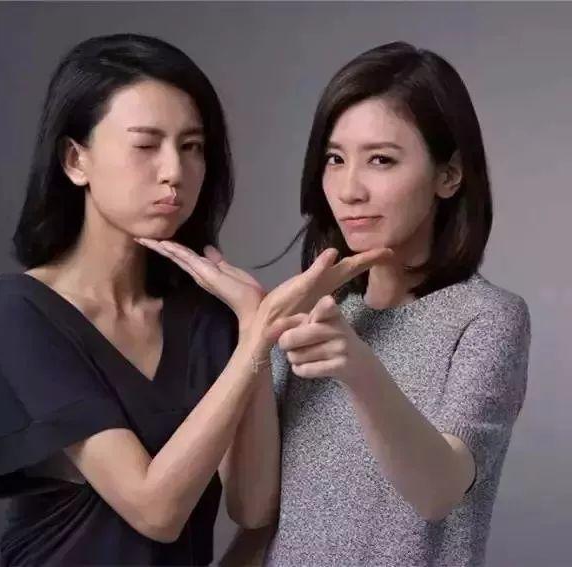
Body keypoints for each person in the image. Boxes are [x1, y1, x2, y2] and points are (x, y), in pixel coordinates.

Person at [0, 33, 390, 566]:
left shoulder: (207, 316)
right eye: (146, 145)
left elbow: (253, 505)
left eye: (191, 147)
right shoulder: (18, 310)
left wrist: (250, 320)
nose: (174, 172)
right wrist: (257, 337)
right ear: (76, 160)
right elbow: (155, 509)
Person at [225, 41, 531, 567]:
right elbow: (252, 509)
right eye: (335, 159)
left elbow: (438, 492)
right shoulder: (308, 312)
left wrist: (361, 370)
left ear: (449, 175)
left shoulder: (486, 318)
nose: (349, 189)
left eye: (381, 160)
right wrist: (255, 330)